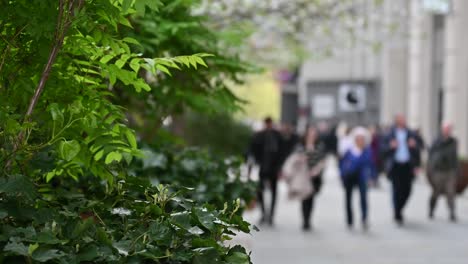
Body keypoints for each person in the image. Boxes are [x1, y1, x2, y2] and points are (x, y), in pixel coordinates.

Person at [383, 114, 422, 226]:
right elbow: (383, 150)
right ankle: (397, 212)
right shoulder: (390, 134)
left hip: (407, 166)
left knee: (408, 190)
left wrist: (414, 146)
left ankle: (399, 208)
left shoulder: (411, 134)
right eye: (401, 119)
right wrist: (390, 146)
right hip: (395, 166)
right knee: (396, 190)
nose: (404, 121)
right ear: (397, 121)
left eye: (404, 119)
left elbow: (419, 149)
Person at [248, 117, 284, 226]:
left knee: (273, 191)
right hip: (263, 168)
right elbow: (253, 150)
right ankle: (264, 213)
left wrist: (279, 167)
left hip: (273, 168)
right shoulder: (260, 135)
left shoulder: (276, 135)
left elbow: (281, 152)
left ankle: (270, 215)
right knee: (261, 191)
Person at [339, 127, 375, 230]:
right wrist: (342, 175)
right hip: (349, 177)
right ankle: (350, 219)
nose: (360, 140)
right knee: (348, 199)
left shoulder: (367, 151)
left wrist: (372, 177)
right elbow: (342, 164)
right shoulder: (349, 151)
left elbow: (371, 165)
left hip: (362, 177)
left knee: (363, 198)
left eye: (362, 138)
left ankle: (364, 218)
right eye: (358, 138)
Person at [427, 123, 458, 222]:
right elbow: (431, 154)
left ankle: (452, 212)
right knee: (436, 192)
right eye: (446, 129)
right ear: (442, 130)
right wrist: (431, 168)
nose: (447, 131)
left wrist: (456, 170)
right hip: (438, 171)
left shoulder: (453, 141)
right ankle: (431, 209)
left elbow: (455, 157)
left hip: (450, 171)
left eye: (449, 129)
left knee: (451, 192)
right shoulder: (437, 141)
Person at [301, 126, 327, 231]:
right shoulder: (302, 146)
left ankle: (309, 219)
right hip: (303, 176)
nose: (312, 136)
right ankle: (305, 220)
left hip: (315, 176)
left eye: (314, 134)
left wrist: (317, 169)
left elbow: (323, 160)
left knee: (311, 198)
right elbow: (296, 157)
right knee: (304, 198)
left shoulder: (320, 146)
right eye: (310, 134)